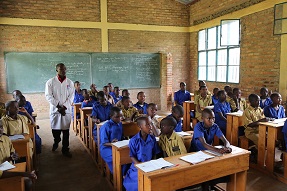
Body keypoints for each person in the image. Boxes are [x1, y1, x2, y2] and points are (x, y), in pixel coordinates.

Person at [123, 116, 161, 191]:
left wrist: (152, 163)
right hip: (138, 166)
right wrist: (141, 166)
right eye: (147, 125)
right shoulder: (134, 140)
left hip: (150, 165)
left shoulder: (152, 138)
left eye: (151, 124)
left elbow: (155, 153)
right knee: (137, 183)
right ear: (140, 126)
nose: (150, 127)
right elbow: (132, 156)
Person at [45, 63, 74, 158]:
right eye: (61, 69)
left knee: (66, 132)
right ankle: (56, 141)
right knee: (56, 130)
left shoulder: (70, 83)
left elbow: (71, 96)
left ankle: (65, 149)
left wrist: (64, 107)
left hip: (66, 110)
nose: (63, 71)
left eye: (64, 69)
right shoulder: (50, 82)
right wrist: (58, 106)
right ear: (56, 70)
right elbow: (48, 96)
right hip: (55, 110)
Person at [0, 119, 37, 190]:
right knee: (26, 181)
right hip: (2, 174)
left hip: (8, 168)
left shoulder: (5, 139)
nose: (0, 130)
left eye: (1, 127)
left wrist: (13, 155)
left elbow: (12, 151)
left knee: (27, 181)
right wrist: (23, 173)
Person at [100, 107, 124, 173]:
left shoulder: (120, 124)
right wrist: (112, 143)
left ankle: (123, 173)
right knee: (119, 157)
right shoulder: (105, 126)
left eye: (121, 116)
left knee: (126, 156)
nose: (120, 118)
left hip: (117, 146)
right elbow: (104, 143)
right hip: (107, 148)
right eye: (117, 117)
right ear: (111, 116)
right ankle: (117, 174)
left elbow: (121, 136)